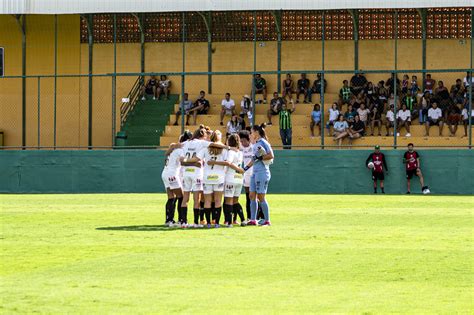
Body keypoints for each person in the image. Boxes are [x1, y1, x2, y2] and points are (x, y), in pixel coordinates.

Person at [193, 130, 228, 228]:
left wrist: (186, 160)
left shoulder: (205, 149)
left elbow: (196, 158)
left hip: (207, 177)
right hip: (219, 177)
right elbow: (226, 162)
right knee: (218, 201)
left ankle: (208, 223)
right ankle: (216, 223)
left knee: (207, 201)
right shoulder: (224, 150)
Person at [244, 124, 274, 226]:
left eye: (252, 132)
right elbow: (254, 159)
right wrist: (245, 168)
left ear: (256, 132)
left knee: (261, 197)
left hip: (262, 172)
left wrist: (260, 157)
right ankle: (253, 219)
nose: (251, 134)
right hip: (255, 172)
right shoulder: (256, 144)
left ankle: (267, 220)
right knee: (252, 195)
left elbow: (271, 156)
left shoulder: (264, 142)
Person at [162, 131, 192, 226]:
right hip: (172, 174)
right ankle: (180, 220)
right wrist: (194, 162)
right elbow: (182, 162)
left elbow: (166, 156)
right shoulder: (181, 150)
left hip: (165, 173)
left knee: (171, 197)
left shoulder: (173, 148)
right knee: (181, 197)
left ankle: (168, 220)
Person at [223, 134, 245, 226]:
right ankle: (243, 220)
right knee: (235, 201)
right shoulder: (240, 153)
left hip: (231, 178)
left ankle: (229, 222)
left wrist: (238, 169)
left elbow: (228, 163)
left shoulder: (230, 152)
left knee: (228, 201)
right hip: (239, 179)